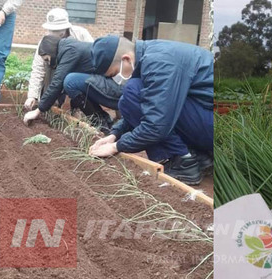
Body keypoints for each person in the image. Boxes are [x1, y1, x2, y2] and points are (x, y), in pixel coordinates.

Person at [88, 36, 214, 185]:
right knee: (130, 97)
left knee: (132, 91)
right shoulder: (152, 54)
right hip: (206, 118)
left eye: (113, 74)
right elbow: (150, 106)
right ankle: (199, 156)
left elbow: (156, 125)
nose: (116, 79)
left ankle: (184, 161)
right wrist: (114, 135)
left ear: (126, 59)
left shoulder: (160, 63)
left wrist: (116, 147)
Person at [22, 36, 122, 134]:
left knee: (70, 82)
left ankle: (100, 123)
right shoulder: (68, 47)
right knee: (72, 80)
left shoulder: (70, 52)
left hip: (119, 92)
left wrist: (38, 110)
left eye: (47, 59)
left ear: (51, 51)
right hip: (113, 86)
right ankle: (104, 122)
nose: (48, 63)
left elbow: (57, 83)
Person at [23, 8, 94, 111]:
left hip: (78, 70)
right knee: (50, 66)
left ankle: (77, 108)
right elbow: (38, 70)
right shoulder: (44, 42)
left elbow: (92, 56)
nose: (53, 33)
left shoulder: (81, 34)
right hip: (56, 72)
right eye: (51, 30)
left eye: (56, 31)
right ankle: (52, 104)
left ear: (64, 30)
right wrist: (32, 96)